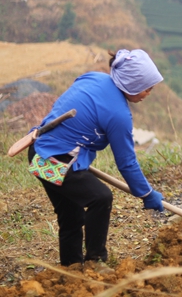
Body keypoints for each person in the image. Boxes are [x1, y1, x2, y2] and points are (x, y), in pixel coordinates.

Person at [27, 49, 165, 269]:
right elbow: (127, 162)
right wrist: (146, 193)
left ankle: (71, 268)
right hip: (54, 161)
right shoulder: (119, 115)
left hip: (37, 150)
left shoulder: (94, 77)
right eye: (147, 88)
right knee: (100, 198)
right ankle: (95, 262)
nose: (149, 93)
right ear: (131, 84)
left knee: (71, 215)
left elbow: (72, 101)